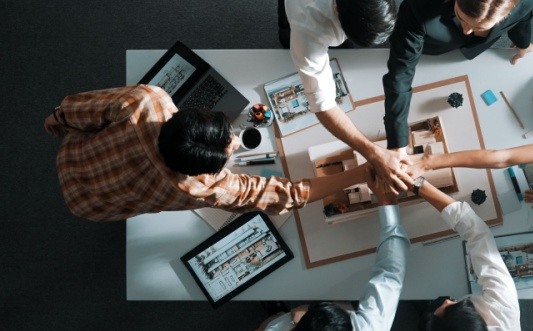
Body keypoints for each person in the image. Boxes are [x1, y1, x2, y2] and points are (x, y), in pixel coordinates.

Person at [187, 171, 410, 331]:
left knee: (268, 323)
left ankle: (277, 315)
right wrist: (388, 203)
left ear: (292, 329)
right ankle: (279, 315)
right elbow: (390, 274)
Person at [43, 85, 380, 221]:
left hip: (71, 156)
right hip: (89, 206)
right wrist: (367, 170)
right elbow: (287, 195)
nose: (235, 141)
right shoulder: (198, 186)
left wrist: (56, 121)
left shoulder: (146, 101)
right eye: (229, 150)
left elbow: (77, 110)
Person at [279, 0, 413, 193]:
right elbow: (323, 105)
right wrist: (373, 152)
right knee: (286, 42)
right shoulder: (307, 27)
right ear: (336, 10)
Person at [382, 0, 533, 151]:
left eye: (479, 26)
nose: (467, 31)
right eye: (461, 18)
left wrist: (522, 43)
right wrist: (398, 143)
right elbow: (401, 70)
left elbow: (523, 16)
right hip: (432, 45)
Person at [391, 177, 520, 331]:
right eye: (455, 305)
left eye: (440, 312)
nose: (447, 301)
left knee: (423, 309)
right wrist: (419, 185)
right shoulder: (504, 308)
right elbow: (479, 234)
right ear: (477, 319)